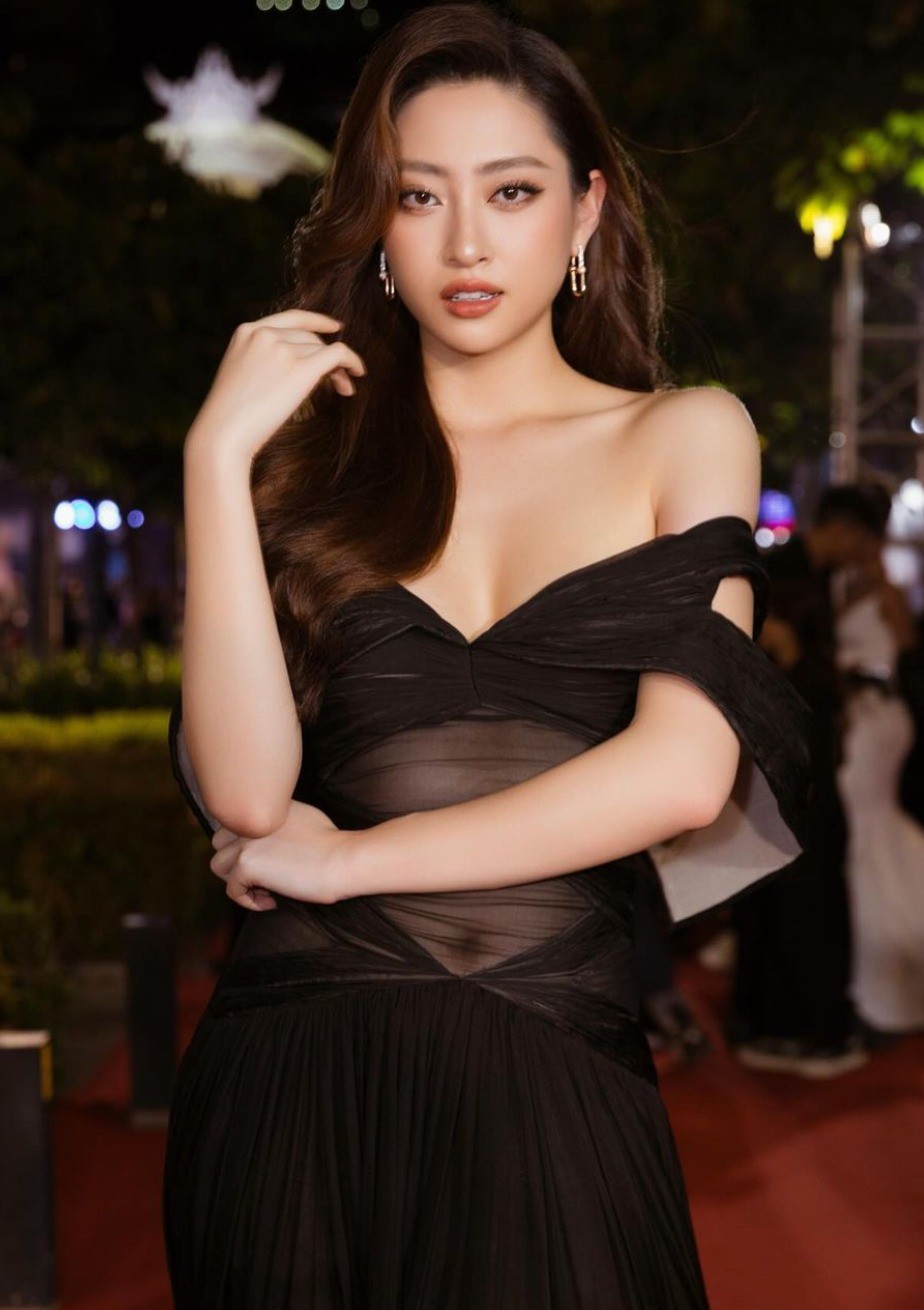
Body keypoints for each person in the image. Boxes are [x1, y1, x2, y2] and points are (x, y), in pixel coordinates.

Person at [162, 6, 811, 1306]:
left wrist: (349, 859)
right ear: (377, 224)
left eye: (510, 191)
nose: (466, 241)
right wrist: (213, 460)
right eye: (420, 195)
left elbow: (681, 774)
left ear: (584, 211)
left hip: (550, 1072)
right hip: (291, 1078)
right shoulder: (302, 466)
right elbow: (243, 793)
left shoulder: (687, 432)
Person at [729, 485, 885, 1077]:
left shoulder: (808, 575)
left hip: (793, 757)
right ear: (848, 530)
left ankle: (777, 1024)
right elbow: (775, 671)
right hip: (790, 759)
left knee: (791, 887)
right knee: (804, 891)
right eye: (866, 541)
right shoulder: (786, 577)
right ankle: (800, 1030)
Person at [834, 523, 924, 1035]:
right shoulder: (841, 588)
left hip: (880, 714)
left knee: (867, 815)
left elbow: (907, 651)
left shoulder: (889, 594)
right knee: (859, 818)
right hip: (852, 713)